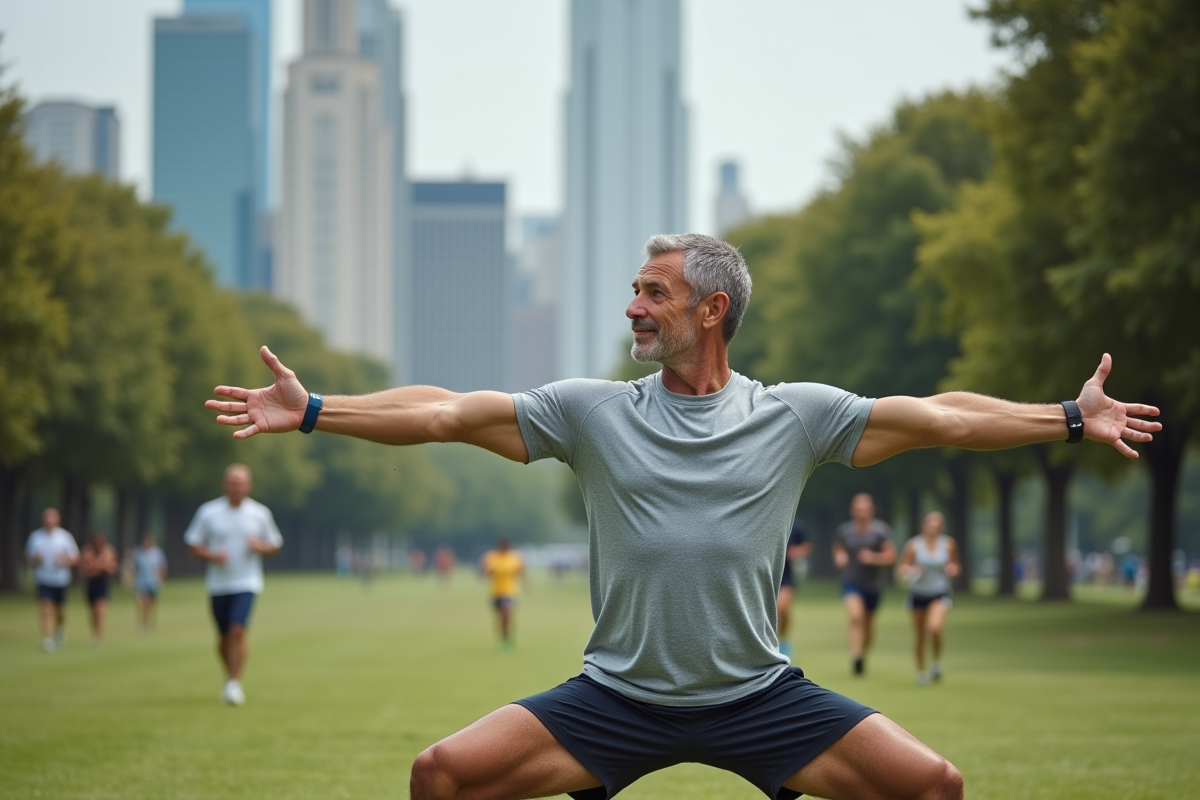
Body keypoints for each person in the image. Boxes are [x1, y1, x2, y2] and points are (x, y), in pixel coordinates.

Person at [205, 233, 1159, 800]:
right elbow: (452, 411)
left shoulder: (795, 414)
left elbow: (944, 417)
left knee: (933, 786)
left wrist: (1072, 418)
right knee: (441, 777)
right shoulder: (593, 410)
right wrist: (319, 410)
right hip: (614, 699)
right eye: (633, 292)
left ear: (710, 310)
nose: (631, 308)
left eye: (650, 293)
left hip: (762, 698)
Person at [184, 463, 283, 706]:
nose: (237, 486)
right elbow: (193, 543)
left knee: (237, 630)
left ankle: (234, 683)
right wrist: (211, 556)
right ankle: (230, 676)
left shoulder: (259, 513)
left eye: (241, 482)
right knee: (223, 638)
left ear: (249, 485)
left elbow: (275, 544)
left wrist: (260, 547)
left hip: (247, 581)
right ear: (224, 484)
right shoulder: (209, 512)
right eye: (232, 482)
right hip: (218, 584)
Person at [832, 493, 896, 676]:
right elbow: (838, 547)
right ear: (852, 510)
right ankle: (855, 655)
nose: (861, 513)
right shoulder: (845, 530)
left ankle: (862, 655)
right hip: (851, 581)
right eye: (858, 509)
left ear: (872, 510)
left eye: (865, 509)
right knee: (856, 617)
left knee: (868, 624)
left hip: (873, 584)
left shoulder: (881, 531)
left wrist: (873, 557)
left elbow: (891, 556)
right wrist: (840, 556)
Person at [898, 511, 961, 686]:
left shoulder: (948, 544)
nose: (933, 529)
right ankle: (921, 672)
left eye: (937, 526)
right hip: (917, 593)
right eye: (930, 525)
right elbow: (902, 568)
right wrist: (911, 571)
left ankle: (936, 663)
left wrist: (952, 569)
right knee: (919, 635)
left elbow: (955, 565)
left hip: (939, 592)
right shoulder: (914, 545)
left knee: (935, 628)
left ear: (941, 528)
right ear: (923, 526)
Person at [24, 507, 80, 652]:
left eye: (52, 518)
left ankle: (59, 630)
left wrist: (64, 559)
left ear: (57, 520)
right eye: (47, 519)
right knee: (45, 608)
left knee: (60, 611)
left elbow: (75, 558)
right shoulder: (36, 537)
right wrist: (37, 558)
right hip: (43, 578)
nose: (49, 522)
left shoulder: (64, 537)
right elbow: (28, 557)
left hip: (60, 579)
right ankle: (47, 639)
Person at [776, 517, 812, 658]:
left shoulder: (795, 524)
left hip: (786, 576)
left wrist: (796, 552)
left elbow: (807, 547)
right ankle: (770, 644)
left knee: (782, 608)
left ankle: (784, 641)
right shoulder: (763, 519)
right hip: (766, 575)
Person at [481, 538, 525, 651]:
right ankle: (503, 639)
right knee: (500, 618)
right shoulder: (492, 557)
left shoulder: (514, 557)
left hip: (510, 591)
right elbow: (486, 572)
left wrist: (526, 582)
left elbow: (520, 571)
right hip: (496, 592)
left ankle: (508, 639)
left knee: (507, 614)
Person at [79, 531, 118, 646]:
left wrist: (101, 567)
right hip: (91, 584)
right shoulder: (87, 552)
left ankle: (99, 637)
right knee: (92, 612)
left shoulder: (109, 551)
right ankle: (94, 633)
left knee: (100, 610)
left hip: (103, 583)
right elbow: (84, 570)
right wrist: (97, 568)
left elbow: (112, 568)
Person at [133, 532, 168, 633]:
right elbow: (134, 567)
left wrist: (160, 578)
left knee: (151, 604)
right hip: (141, 582)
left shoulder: (157, 552)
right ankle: (142, 624)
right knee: (142, 603)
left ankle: (149, 622)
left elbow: (162, 567)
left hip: (153, 582)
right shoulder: (138, 552)